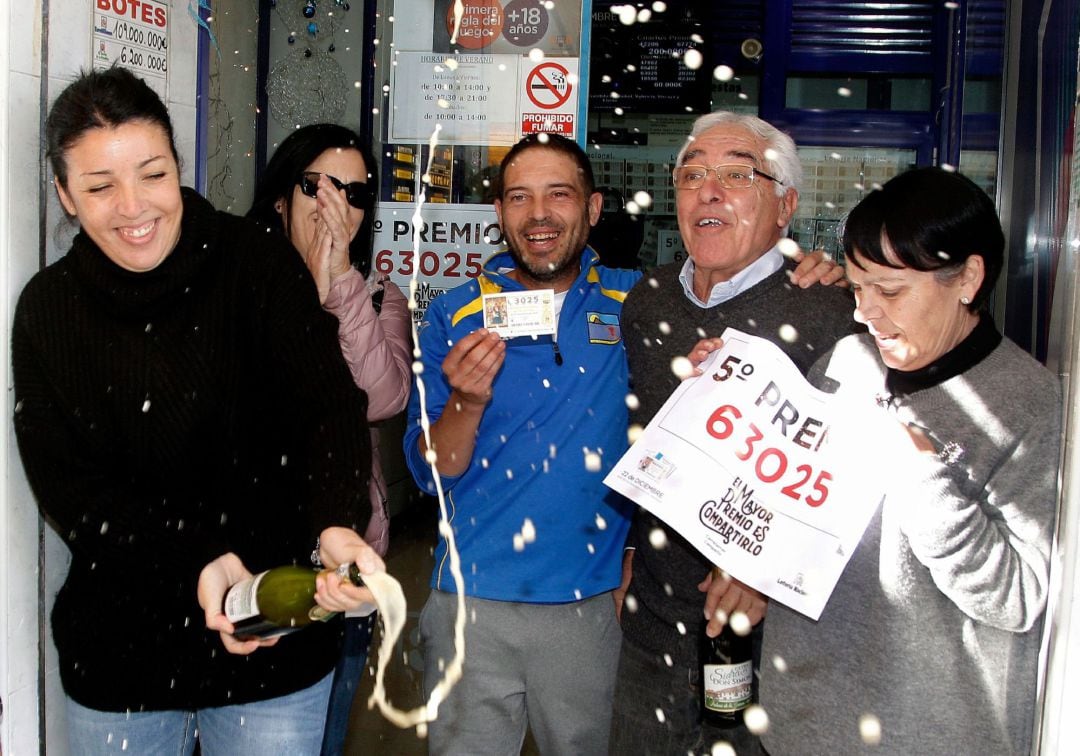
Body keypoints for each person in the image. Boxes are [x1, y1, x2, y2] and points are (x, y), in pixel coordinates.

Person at [403, 132, 841, 754]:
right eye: (519, 197)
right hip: (470, 601)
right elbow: (431, 472)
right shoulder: (454, 312)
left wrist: (815, 264)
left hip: (593, 603)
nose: (539, 214)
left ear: (593, 208)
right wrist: (469, 402)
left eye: (560, 194)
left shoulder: (637, 299)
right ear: (498, 213)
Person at [13, 67, 384, 755]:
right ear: (65, 195)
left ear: (178, 167)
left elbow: (328, 409)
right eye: (99, 187)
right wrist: (198, 559)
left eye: (151, 175)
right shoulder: (49, 310)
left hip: (269, 636)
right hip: (123, 656)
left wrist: (336, 522)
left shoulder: (258, 269)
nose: (133, 207)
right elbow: (74, 491)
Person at [757, 167, 1060, 754]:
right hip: (803, 721)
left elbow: (1019, 598)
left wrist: (927, 479)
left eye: (891, 292)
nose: (865, 313)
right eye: (859, 286)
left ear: (968, 277)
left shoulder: (1027, 403)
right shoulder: (847, 360)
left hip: (926, 734)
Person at [610, 111, 862, 754]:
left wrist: (766, 567)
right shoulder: (649, 301)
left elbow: (854, 475)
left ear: (786, 205)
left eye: (736, 174)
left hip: (770, 633)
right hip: (654, 620)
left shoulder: (832, 312)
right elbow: (646, 438)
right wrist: (632, 549)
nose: (708, 189)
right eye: (691, 174)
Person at [248, 124, 412, 755]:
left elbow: (382, 397)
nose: (333, 207)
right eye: (315, 185)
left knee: (322, 735)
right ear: (280, 198)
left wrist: (338, 281)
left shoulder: (375, 294)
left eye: (353, 192)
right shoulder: (237, 287)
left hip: (341, 559)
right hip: (247, 554)